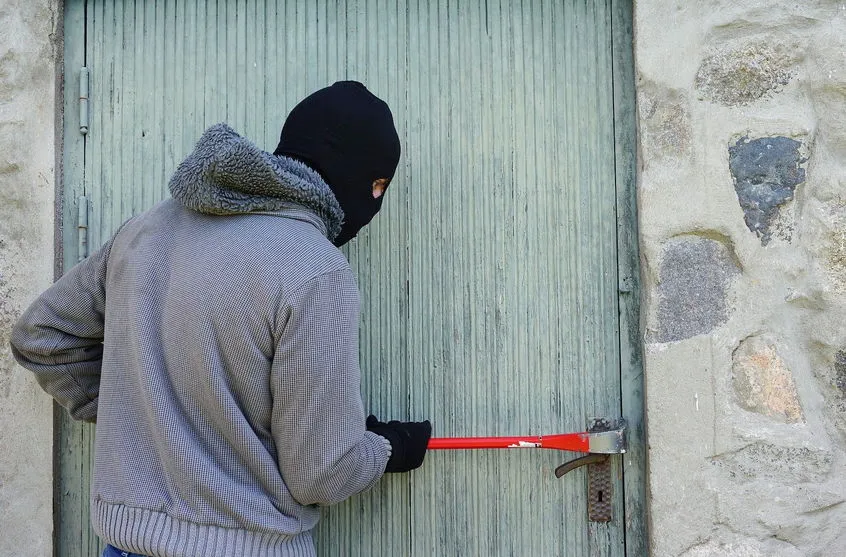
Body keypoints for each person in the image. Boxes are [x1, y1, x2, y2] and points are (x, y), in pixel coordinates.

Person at [10, 81, 432, 557]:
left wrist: (144, 412)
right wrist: (389, 447)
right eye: (378, 186)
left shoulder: (146, 230)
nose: (374, 202)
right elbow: (322, 472)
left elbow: (43, 337)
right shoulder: (315, 268)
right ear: (358, 176)